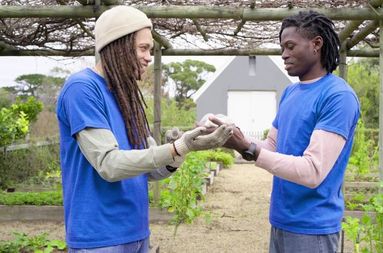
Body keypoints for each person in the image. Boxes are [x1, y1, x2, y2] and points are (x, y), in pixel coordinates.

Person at [56, 6, 233, 252]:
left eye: (150, 50)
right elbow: (109, 164)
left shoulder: (126, 94)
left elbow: (151, 170)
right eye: (143, 48)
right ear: (117, 44)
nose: (149, 57)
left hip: (137, 233)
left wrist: (186, 148)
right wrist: (177, 146)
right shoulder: (82, 89)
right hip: (99, 238)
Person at [207, 11, 360, 253]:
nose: (284, 54)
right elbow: (271, 147)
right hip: (281, 220)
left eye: (290, 46)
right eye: (282, 47)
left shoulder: (338, 97)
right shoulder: (290, 93)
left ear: (316, 44)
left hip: (313, 228)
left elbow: (313, 172)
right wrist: (233, 137)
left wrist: (247, 148)